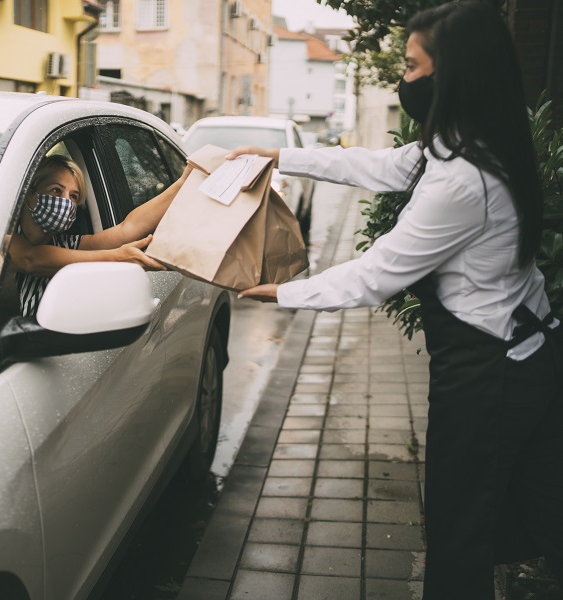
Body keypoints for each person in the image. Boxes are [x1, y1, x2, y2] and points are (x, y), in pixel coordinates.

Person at [226, 2, 562, 598]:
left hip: (492, 374)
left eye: (411, 65)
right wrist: (281, 156)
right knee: (538, 506)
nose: (402, 79)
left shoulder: (465, 177)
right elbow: (379, 164)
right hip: (521, 353)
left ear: (453, 73)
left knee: (460, 528)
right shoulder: (471, 143)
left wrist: (285, 290)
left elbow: (379, 273)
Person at [9, 154, 190, 316]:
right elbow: (29, 259)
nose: (65, 202)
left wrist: (183, 183)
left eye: (73, 196)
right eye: (56, 191)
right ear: (28, 195)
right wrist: (118, 258)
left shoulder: (67, 244)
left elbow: (127, 229)